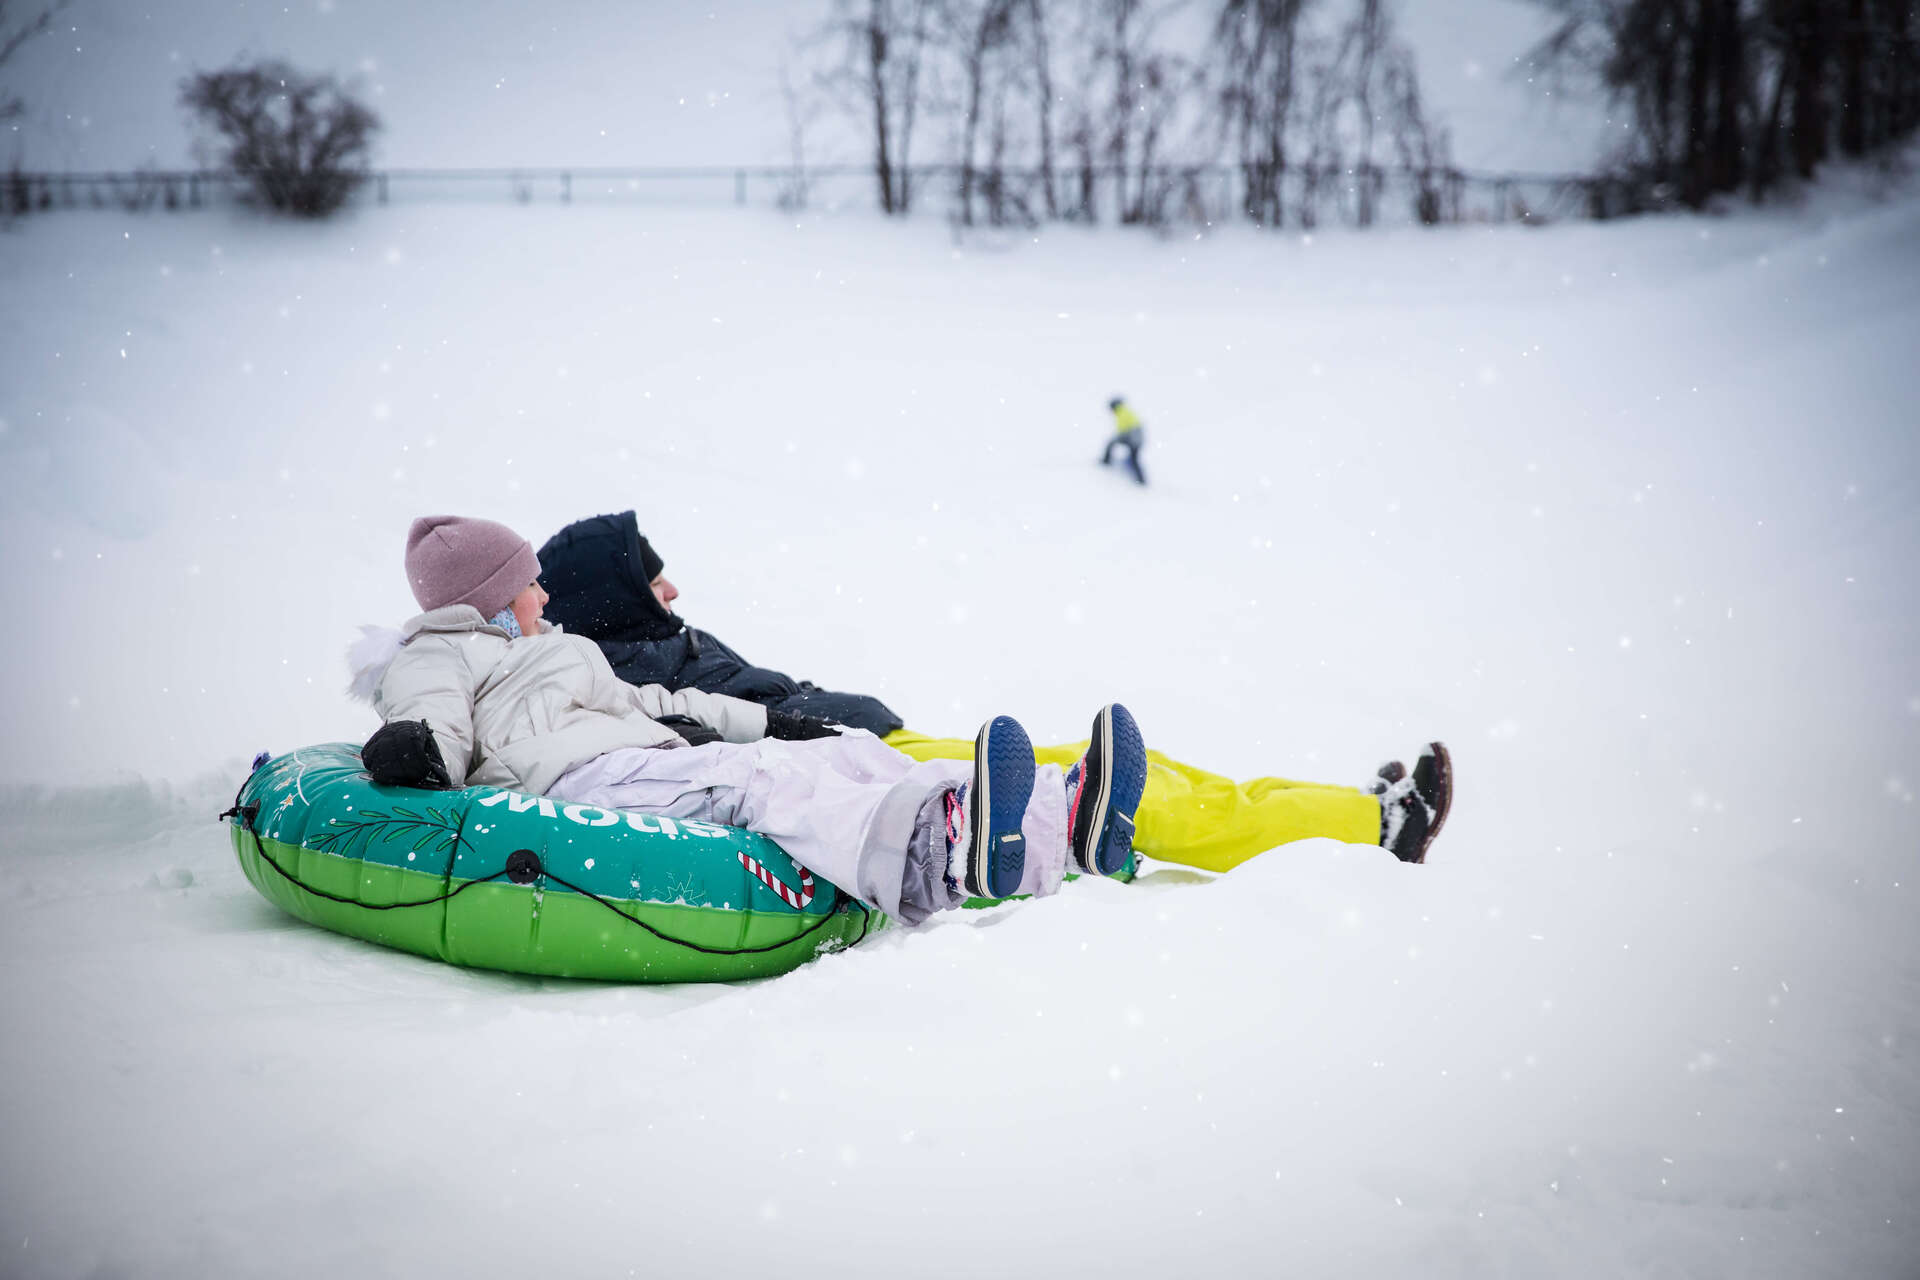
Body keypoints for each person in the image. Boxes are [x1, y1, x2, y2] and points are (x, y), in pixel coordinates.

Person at [349, 515, 1150, 927]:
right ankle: (942, 853)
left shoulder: (559, 650)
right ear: (488, 597)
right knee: (763, 783)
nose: (545, 595)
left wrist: (774, 722)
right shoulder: (437, 653)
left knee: (849, 752)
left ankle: (1062, 824)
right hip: (573, 782)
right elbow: (436, 725)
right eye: (529, 584)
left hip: (637, 754)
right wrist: (417, 750)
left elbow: (661, 704)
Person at [537, 511, 1454, 870]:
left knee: (1152, 768)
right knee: (1134, 795)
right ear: (608, 595)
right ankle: (1374, 828)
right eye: (651, 577)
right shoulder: (623, 677)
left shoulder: (656, 646)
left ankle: (1355, 809)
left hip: (888, 741)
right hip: (869, 765)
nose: (671, 589)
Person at [1101, 394, 1147, 486]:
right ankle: (1141, 479)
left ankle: (1106, 461)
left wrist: (1118, 439)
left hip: (1132, 439)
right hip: (1135, 439)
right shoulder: (1126, 411)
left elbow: (1123, 429)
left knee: (1132, 458)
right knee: (1134, 458)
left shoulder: (1122, 412)